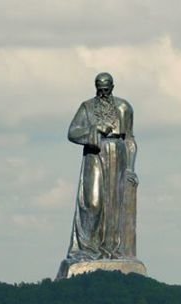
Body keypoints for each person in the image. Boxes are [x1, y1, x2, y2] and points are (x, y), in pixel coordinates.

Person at [64, 72, 138, 261]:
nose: (102, 93)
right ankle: (87, 249)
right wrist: (93, 130)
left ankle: (111, 249)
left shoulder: (123, 107)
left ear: (112, 87)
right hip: (94, 153)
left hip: (118, 152)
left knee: (114, 202)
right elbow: (72, 132)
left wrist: (130, 167)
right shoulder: (87, 107)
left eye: (106, 89)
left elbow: (129, 139)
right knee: (93, 201)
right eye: (99, 89)